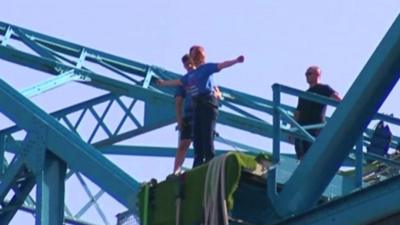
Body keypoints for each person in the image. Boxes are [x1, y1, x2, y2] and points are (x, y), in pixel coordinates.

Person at [158, 45, 244, 167]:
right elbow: (177, 82)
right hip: (197, 106)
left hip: (208, 103)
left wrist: (236, 61)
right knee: (197, 139)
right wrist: (162, 83)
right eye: (194, 56)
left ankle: (210, 162)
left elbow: (222, 65)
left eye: (197, 55)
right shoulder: (189, 76)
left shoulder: (206, 68)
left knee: (207, 135)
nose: (196, 58)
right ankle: (198, 165)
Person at [294, 66, 341, 160]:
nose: (307, 76)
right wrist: (292, 129)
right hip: (302, 127)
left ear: (317, 75)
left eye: (309, 74)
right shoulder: (304, 94)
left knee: (313, 153)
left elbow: (339, 100)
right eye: (306, 74)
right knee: (302, 153)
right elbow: (298, 113)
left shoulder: (323, 88)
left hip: (315, 127)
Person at [173, 54, 196, 175]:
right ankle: (176, 171)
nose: (189, 66)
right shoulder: (184, 81)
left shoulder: (202, 75)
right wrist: (179, 121)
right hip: (189, 115)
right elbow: (178, 102)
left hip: (201, 113)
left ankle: (200, 166)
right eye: (187, 65)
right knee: (183, 145)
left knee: (200, 143)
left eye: (191, 63)